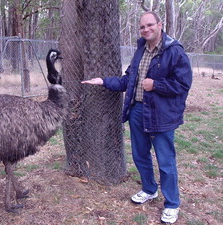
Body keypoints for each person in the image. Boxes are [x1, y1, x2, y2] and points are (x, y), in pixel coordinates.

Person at [81, 11, 192, 224]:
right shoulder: (141, 49)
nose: (146, 29)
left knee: (165, 161)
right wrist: (104, 81)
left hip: (162, 115)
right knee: (140, 155)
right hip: (138, 111)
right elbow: (128, 80)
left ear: (160, 25)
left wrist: (156, 85)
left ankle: (172, 204)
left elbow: (183, 85)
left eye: (150, 25)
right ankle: (149, 189)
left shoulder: (175, 51)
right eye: (142, 27)